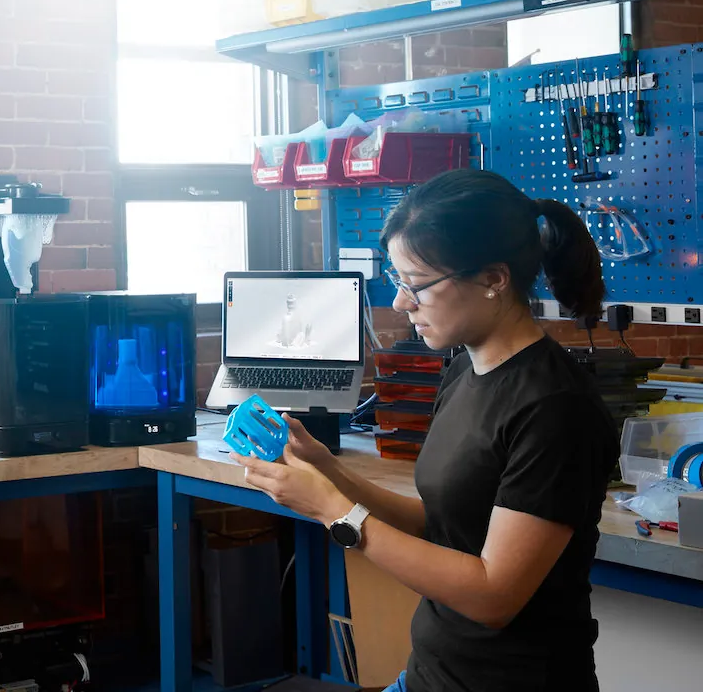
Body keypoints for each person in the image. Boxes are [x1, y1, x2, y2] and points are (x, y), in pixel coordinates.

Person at [235, 169, 618, 692]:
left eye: (416, 286)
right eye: (398, 283)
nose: (400, 304)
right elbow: (441, 525)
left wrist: (334, 511)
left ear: (493, 279)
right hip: (433, 674)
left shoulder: (555, 407)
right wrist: (326, 467)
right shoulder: (464, 366)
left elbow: (493, 596)